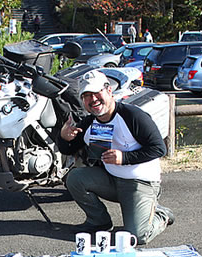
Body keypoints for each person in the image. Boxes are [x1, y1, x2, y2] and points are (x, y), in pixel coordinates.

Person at [57, 70, 174, 244]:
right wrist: (63, 137)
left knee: (138, 236)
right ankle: (99, 222)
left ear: (109, 91)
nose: (93, 99)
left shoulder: (133, 116)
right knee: (75, 177)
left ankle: (161, 214)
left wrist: (124, 158)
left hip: (140, 183)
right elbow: (68, 149)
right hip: (112, 180)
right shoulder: (89, 122)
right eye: (87, 96)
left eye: (97, 93)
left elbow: (158, 149)